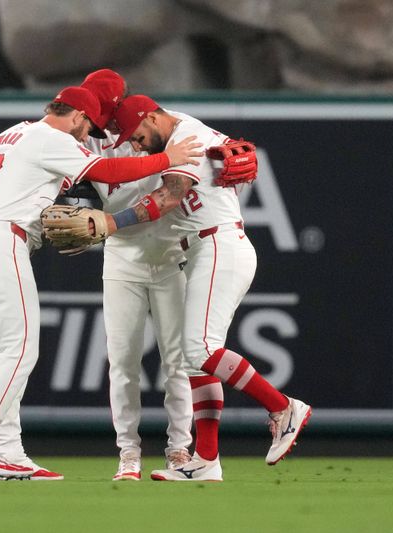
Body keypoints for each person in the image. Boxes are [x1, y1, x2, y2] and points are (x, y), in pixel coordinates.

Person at [0, 86, 203, 480]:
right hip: (3, 243)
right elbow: (106, 171)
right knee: (20, 351)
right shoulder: (50, 137)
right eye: (86, 128)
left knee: (8, 352)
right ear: (77, 116)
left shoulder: (10, 134)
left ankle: (9, 448)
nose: (86, 137)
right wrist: (166, 159)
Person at [104, 94, 312, 481]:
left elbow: (170, 197)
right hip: (203, 248)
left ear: (151, 117)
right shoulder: (176, 127)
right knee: (192, 357)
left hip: (218, 245)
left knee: (200, 347)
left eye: (135, 135)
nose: (135, 145)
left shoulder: (189, 135)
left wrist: (110, 224)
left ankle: (283, 407)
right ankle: (206, 459)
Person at [78, 69, 193, 480]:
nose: (103, 119)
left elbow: (177, 187)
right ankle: (128, 452)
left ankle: (179, 449)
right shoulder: (87, 139)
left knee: (177, 360)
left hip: (169, 255)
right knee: (122, 360)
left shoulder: (168, 128)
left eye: (107, 108)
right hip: (121, 257)